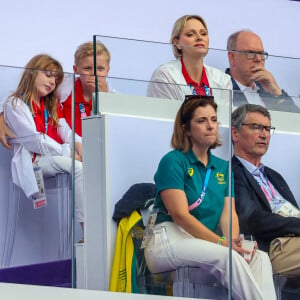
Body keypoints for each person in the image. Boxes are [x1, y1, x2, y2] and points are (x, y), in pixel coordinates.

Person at [144, 95, 276, 300]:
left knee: (258, 257)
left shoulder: (224, 167)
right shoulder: (173, 161)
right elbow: (180, 215)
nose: (210, 126)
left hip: (203, 241)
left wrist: (233, 242)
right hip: (167, 238)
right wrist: (223, 243)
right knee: (227, 257)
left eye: (214, 120)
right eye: (201, 121)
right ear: (186, 128)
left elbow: (228, 215)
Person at [3, 54, 84, 238]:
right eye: (48, 75)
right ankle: (87, 232)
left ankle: (95, 227)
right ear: (32, 72)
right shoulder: (15, 103)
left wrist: (78, 145)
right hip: (34, 161)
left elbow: (66, 131)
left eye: (55, 80)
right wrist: (69, 153)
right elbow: (35, 140)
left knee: (87, 165)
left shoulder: (50, 105)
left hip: (54, 157)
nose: (52, 82)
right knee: (78, 167)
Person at [232, 104, 300, 275]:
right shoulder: (230, 172)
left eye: (267, 129)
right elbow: (251, 219)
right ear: (235, 133)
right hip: (273, 246)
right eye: (256, 127)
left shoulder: (274, 176)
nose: (264, 134)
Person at [147, 15, 232, 105]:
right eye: (190, 34)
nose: (199, 37)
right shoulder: (164, 76)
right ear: (177, 43)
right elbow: (162, 116)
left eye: (203, 34)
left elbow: (225, 118)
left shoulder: (223, 79)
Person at [226, 30, 300, 112]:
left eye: (261, 54)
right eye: (250, 53)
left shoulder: (268, 90)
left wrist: (276, 92)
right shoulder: (222, 88)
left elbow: (295, 121)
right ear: (232, 57)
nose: (258, 59)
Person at [61, 41, 114, 137]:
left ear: (107, 71)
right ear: (76, 69)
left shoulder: (114, 98)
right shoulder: (64, 87)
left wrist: (102, 97)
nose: (94, 73)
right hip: (70, 149)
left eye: (100, 69)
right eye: (87, 68)